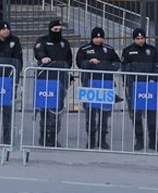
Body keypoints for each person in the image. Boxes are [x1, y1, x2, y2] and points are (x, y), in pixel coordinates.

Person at [76, 27, 121, 150]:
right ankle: (91, 139)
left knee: (104, 114)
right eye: (96, 37)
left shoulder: (109, 49)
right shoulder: (84, 49)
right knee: (90, 113)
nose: (98, 39)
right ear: (92, 37)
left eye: (100, 37)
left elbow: (117, 63)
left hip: (105, 85)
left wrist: (108, 66)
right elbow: (79, 63)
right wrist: (89, 62)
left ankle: (102, 139)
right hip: (90, 85)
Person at [33, 19, 72, 147]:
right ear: (50, 29)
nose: (57, 32)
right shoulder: (42, 40)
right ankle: (43, 135)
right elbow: (38, 52)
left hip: (60, 80)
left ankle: (53, 136)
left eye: (59, 30)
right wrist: (43, 57)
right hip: (45, 80)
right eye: (55, 30)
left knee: (57, 110)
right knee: (45, 110)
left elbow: (69, 60)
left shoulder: (64, 43)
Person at [121, 28, 158, 152]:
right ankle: (139, 140)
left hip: (150, 86)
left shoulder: (152, 50)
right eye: (138, 39)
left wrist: (154, 79)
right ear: (134, 39)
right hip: (135, 87)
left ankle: (153, 141)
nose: (140, 40)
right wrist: (128, 84)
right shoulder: (128, 51)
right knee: (136, 115)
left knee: (151, 115)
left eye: (142, 38)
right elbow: (124, 68)